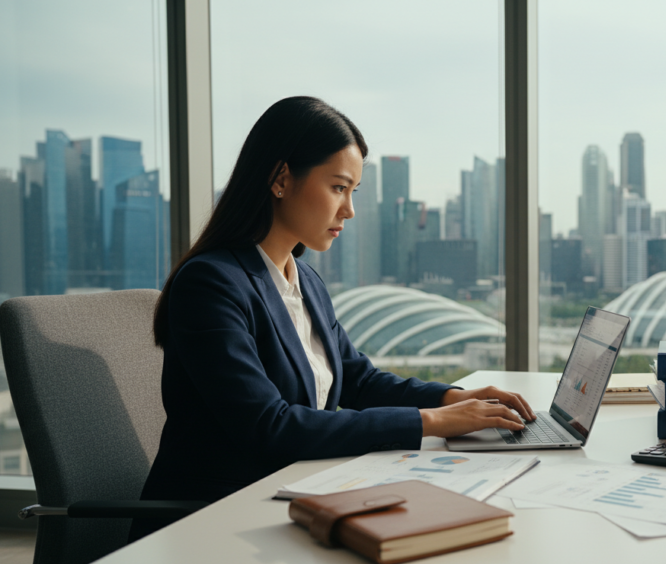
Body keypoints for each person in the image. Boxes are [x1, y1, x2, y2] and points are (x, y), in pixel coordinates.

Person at [131, 96, 534, 540]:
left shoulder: (305, 281)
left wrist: (452, 398)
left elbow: (358, 379)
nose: (349, 210)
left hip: (290, 500)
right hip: (212, 522)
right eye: (338, 188)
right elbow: (270, 426)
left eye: (353, 192)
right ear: (281, 179)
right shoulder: (211, 284)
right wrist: (429, 423)